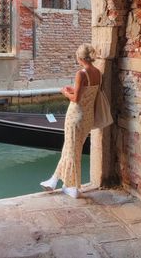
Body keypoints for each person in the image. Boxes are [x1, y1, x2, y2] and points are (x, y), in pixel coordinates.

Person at [40, 43, 101, 198]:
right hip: (87, 118)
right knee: (70, 149)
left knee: (72, 152)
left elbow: (76, 99)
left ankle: (72, 187)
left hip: (75, 117)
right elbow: (88, 93)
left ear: (79, 57)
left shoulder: (81, 73)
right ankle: (53, 181)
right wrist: (73, 89)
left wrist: (65, 93)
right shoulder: (97, 73)